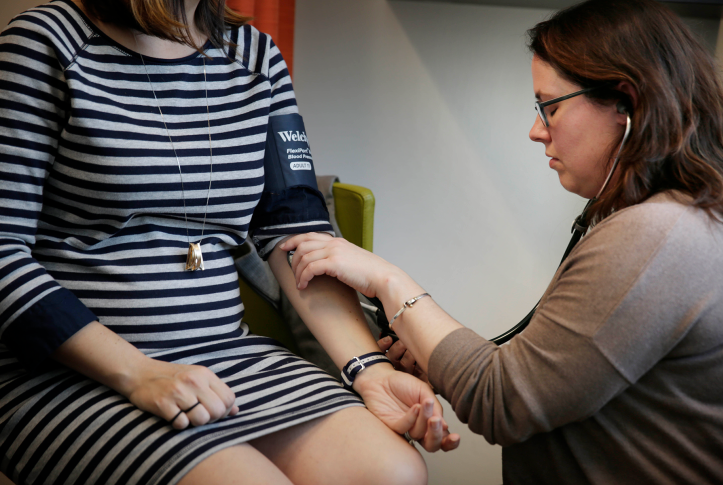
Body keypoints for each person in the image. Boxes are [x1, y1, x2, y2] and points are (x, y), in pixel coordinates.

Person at [0, 1, 460, 484]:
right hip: (70, 372)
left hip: (225, 357)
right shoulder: (46, 42)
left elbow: (296, 234)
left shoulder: (257, 58)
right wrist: (139, 373)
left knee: (392, 472)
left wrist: (368, 370)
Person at [281, 0, 723, 483]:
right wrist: (438, 358)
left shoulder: (655, 237)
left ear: (626, 104)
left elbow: (504, 402)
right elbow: (542, 377)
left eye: (549, 107)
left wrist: (388, 280)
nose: (537, 131)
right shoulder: (684, 222)